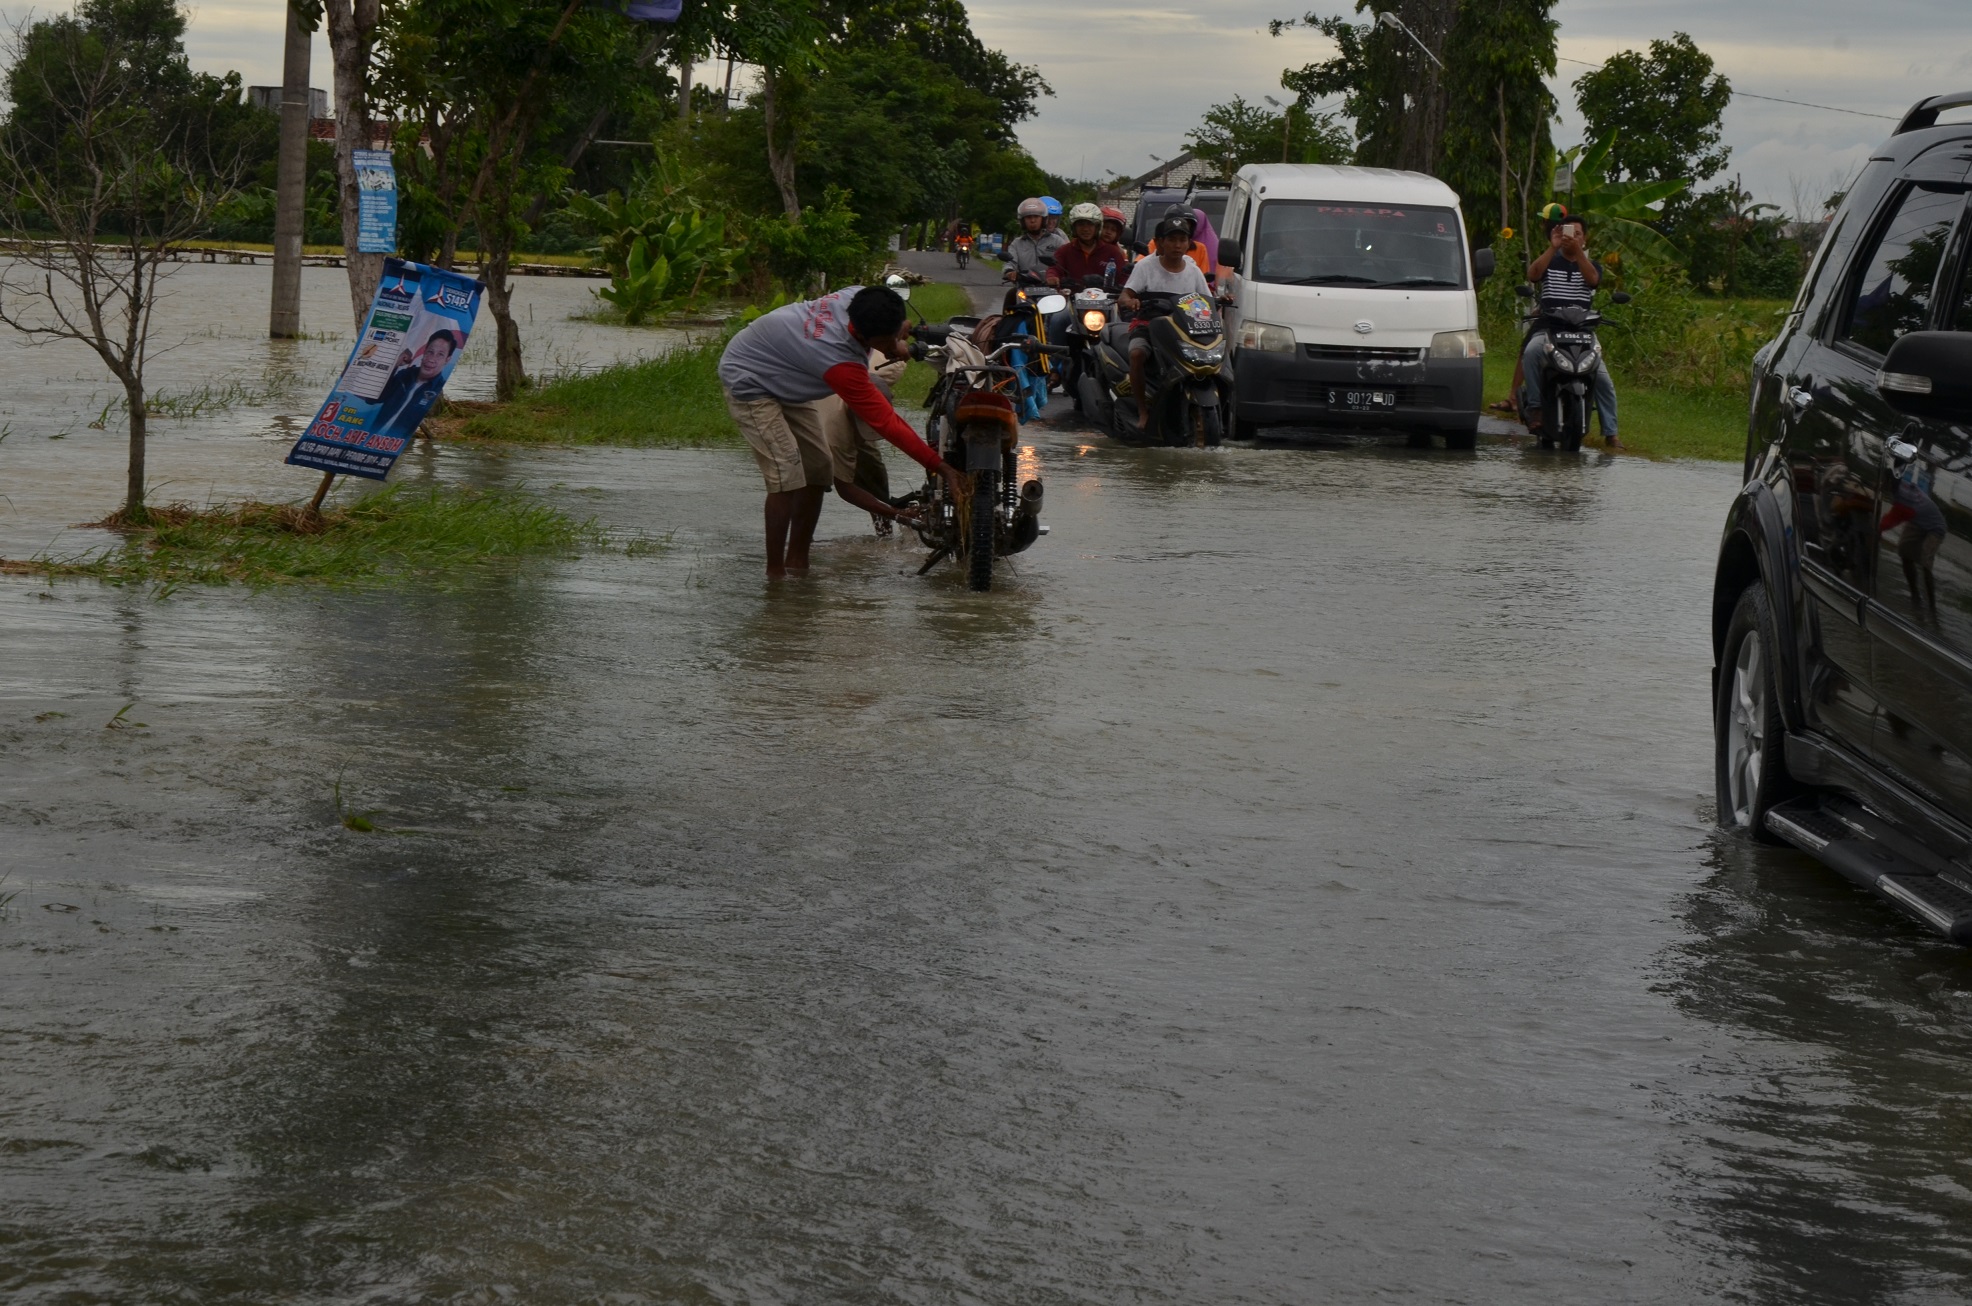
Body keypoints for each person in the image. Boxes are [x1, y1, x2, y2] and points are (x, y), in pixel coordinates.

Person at [719, 285, 963, 579]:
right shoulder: (840, 363)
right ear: (863, 336)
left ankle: (798, 562)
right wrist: (941, 467)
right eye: (884, 342)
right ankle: (775, 576)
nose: (891, 344)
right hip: (751, 378)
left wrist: (898, 338)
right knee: (786, 474)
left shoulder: (858, 297)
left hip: (790, 374)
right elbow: (888, 424)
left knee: (820, 467)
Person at [1520, 209, 1620, 448]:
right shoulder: (1550, 260)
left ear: (1584, 239)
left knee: (1603, 379)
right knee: (1531, 352)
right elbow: (1533, 275)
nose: (1572, 237)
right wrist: (1553, 247)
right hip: (1550, 326)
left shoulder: (1591, 265)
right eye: (1568, 233)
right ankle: (1535, 408)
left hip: (1582, 330)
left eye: (1577, 234)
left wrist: (1579, 254)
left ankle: (1611, 433)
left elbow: (1593, 280)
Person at [1119, 210, 1214, 430]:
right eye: (1171, 240)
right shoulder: (1145, 267)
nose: (1177, 245)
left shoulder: (1193, 271)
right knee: (1137, 354)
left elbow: (1208, 302)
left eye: (1182, 240)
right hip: (1148, 327)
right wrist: (1130, 302)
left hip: (1184, 330)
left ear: (1188, 243)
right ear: (1160, 243)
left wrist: (1221, 300)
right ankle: (1143, 411)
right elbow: (1125, 295)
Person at [373, 329, 458, 439]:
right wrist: (394, 365)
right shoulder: (404, 376)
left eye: (440, 355)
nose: (431, 359)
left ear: (447, 360)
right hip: (369, 439)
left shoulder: (436, 389)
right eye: (430, 352)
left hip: (393, 446)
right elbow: (373, 399)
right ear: (424, 352)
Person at [1052, 201, 1131, 288]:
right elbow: (1054, 268)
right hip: (1072, 298)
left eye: (1090, 224)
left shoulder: (1113, 252)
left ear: (1097, 227)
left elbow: (1124, 277)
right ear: (1074, 227)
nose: (1085, 229)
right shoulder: (1065, 250)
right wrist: (1052, 277)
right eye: (1081, 224)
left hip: (1105, 300)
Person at [1003, 197, 1067, 286]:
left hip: (1051, 289)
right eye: (1029, 217)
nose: (1032, 220)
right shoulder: (1017, 243)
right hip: (1024, 287)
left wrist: (1058, 277)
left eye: (1036, 216)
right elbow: (1011, 262)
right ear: (1023, 221)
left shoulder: (1057, 241)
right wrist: (1010, 272)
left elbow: (1067, 262)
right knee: (1010, 296)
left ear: (1043, 219)